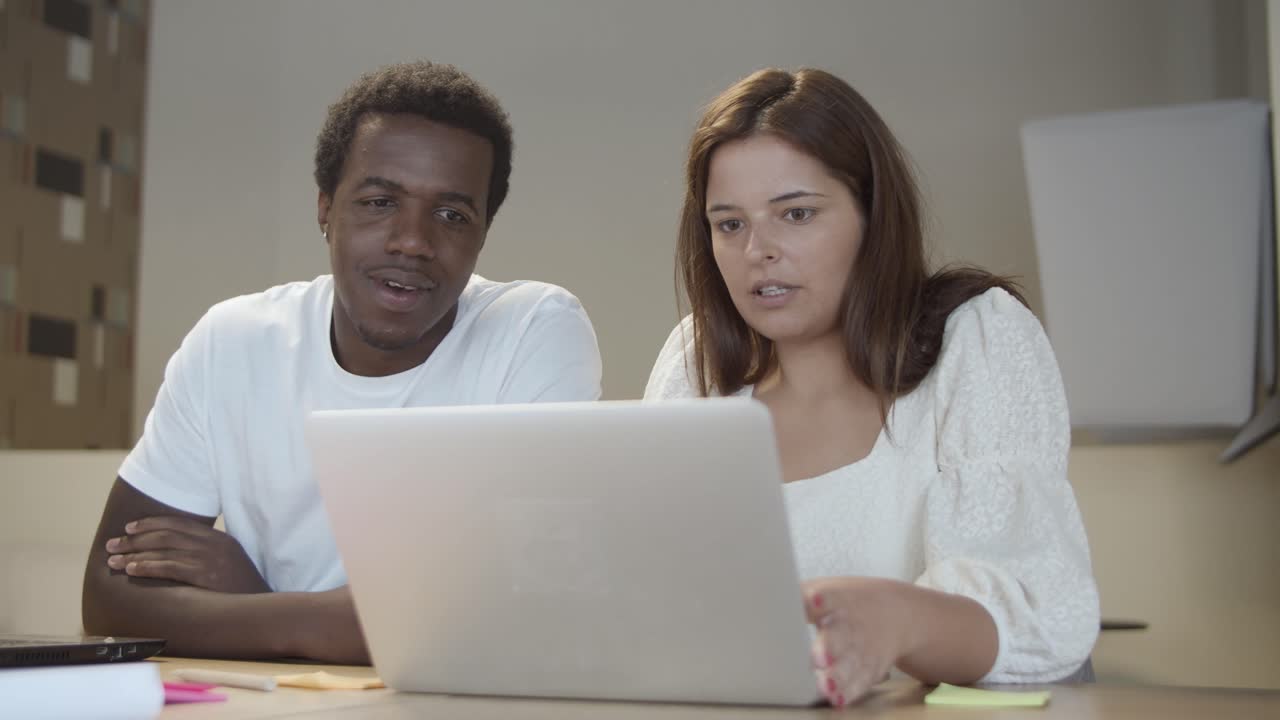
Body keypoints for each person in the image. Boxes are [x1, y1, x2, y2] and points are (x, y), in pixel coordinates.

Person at [82, 61, 602, 663]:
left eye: (453, 214)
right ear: (325, 208)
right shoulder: (233, 340)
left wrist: (259, 596)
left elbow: (508, 616)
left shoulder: (533, 330)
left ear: (484, 230)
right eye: (380, 201)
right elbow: (109, 599)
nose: (413, 241)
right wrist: (336, 621)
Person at [645, 68, 1098, 706]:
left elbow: (1040, 614)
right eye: (729, 224)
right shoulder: (695, 366)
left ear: (872, 215)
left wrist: (893, 619)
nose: (758, 251)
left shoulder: (977, 337)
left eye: (796, 213)